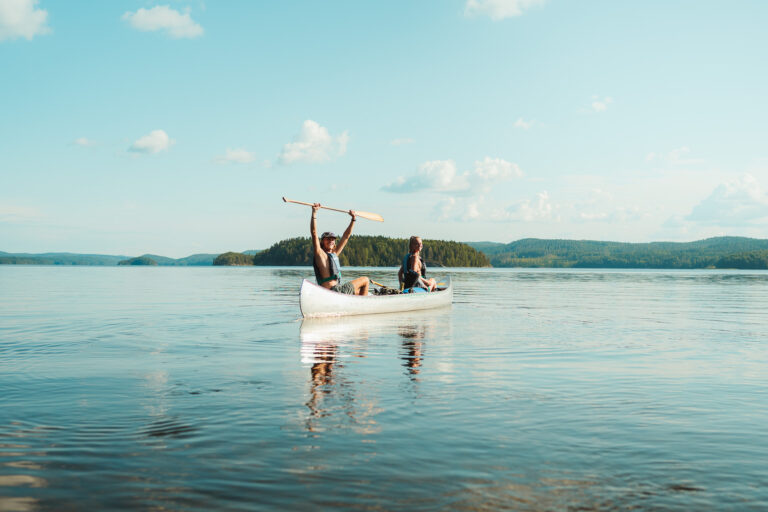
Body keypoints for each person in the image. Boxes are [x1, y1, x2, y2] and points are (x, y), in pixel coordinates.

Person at [310, 203, 370, 295]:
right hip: (334, 291)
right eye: (328, 239)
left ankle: (362, 300)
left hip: (337, 290)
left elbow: (346, 236)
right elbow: (314, 233)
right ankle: (364, 305)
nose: (331, 241)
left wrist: (353, 219)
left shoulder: (334, 253)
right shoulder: (320, 254)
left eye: (332, 239)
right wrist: (314, 213)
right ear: (322, 242)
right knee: (365, 280)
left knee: (358, 292)